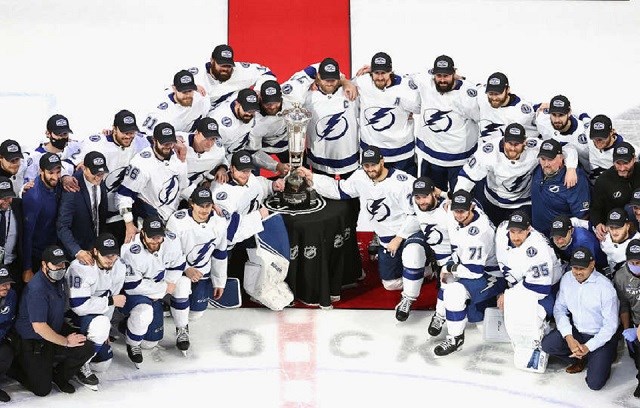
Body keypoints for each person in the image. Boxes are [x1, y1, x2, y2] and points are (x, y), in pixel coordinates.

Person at [296, 146, 417, 296]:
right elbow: (340, 189)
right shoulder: (361, 177)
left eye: (373, 165)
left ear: (382, 162)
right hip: (386, 237)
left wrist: (399, 239)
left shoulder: (402, 182)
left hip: (407, 235)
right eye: (366, 165)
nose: (370, 169)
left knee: (414, 260)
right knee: (390, 283)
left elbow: (417, 215)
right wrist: (312, 177)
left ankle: (425, 268)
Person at [426, 190, 505, 356]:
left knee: (454, 291)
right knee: (447, 279)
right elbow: (445, 206)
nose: (459, 215)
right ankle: (440, 314)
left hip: (491, 275)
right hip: (467, 263)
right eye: (456, 210)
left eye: (462, 211)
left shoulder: (479, 233)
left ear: (472, 207)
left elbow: (474, 273)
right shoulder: (454, 213)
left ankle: (456, 338)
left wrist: (449, 268)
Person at [13, 245, 95, 396]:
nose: (60, 268)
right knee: (42, 390)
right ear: (44, 265)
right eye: (56, 265)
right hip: (33, 340)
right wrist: (65, 341)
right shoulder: (37, 288)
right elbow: (39, 327)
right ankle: (18, 366)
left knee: (87, 346)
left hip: (54, 331)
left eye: (63, 264)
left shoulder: (61, 281)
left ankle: (59, 376)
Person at [541, 246, 619, 390]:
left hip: (600, 337)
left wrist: (589, 347)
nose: (577, 272)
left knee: (595, 384)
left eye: (582, 268)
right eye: (574, 268)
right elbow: (559, 309)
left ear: (592, 264)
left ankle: (599, 357)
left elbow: (611, 326)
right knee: (548, 344)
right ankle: (582, 358)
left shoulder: (605, 287)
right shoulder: (567, 278)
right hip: (577, 331)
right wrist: (569, 337)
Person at [495, 211, 562, 372]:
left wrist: (509, 295)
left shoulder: (536, 249)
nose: (516, 237)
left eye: (520, 232)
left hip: (550, 291)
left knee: (527, 314)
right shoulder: (502, 231)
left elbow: (540, 289)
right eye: (513, 232)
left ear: (529, 230)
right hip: (524, 285)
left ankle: (541, 338)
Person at [120, 215, 191, 366]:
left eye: (159, 237)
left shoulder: (171, 240)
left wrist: (168, 284)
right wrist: (163, 289)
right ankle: (132, 342)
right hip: (139, 292)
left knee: (183, 283)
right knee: (148, 343)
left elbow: (178, 266)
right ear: (142, 233)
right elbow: (132, 286)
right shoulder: (129, 250)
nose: (155, 241)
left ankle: (182, 328)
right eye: (152, 237)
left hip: (160, 287)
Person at [407, 55, 480, 191]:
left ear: (454, 73)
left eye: (446, 76)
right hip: (431, 157)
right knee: (432, 202)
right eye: (438, 75)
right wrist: (372, 70)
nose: (441, 80)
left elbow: (483, 115)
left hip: (459, 161)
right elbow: (404, 78)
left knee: (460, 203)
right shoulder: (426, 82)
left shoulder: (467, 95)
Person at [66, 233, 126, 390]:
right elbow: (78, 307)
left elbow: (111, 299)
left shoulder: (119, 266)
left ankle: (81, 354)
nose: (110, 259)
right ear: (95, 251)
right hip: (72, 318)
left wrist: (105, 331)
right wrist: (110, 302)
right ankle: (79, 364)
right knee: (100, 323)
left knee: (102, 365)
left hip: (97, 315)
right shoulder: (80, 267)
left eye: (113, 255)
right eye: (105, 255)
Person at [456, 123, 542, 226]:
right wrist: (458, 201)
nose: (513, 148)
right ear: (504, 141)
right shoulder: (489, 152)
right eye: (510, 143)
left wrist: (568, 167)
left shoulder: (535, 148)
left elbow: (560, 150)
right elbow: (467, 176)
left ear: (524, 142)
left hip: (522, 204)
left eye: (517, 144)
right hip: (492, 201)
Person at [116, 122, 188, 243]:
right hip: (148, 218)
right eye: (164, 143)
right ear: (154, 140)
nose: (168, 146)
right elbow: (124, 194)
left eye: (170, 143)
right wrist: (128, 224)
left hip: (172, 216)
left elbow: (183, 186)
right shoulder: (142, 163)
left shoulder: (178, 157)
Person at [166, 186, 229, 319]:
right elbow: (169, 252)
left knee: (195, 315)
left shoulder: (220, 223)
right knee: (181, 288)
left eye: (207, 205)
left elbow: (220, 253)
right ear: (192, 204)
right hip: (177, 269)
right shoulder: (177, 221)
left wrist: (219, 282)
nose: (204, 210)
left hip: (201, 272)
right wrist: (186, 268)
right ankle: (168, 299)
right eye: (200, 205)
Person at [397, 176, 451, 321]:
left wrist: (445, 194)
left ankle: (440, 316)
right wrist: (399, 237)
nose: (421, 201)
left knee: (449, 283)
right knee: (412, 250)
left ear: (434, 193)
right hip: (430, 243)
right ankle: (408, 297)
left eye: (425, 196)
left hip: (449, 253)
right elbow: (413, 217)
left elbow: (466, 202)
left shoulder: (449, 208)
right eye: (418, 197)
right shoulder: (416, 203)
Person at [353, 52, 417, 175]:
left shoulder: (405, 86)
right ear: (371, 72)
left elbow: (422, 101)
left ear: (391, 71)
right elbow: (340, 83)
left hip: (402, 153)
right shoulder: (362, 82)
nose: (380, 77)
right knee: (374, 192)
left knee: (404, 190)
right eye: (377, 73)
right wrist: (346, 83)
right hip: (372, 152)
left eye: (384, 73)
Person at [303, 57, 360, 177]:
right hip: (319, 161)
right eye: (326, 79)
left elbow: (378, 83)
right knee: (321, 194)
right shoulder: (307, 96)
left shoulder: (351, 91)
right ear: (318, 76)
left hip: (349, 159)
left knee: (352, 194)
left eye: (332, 79)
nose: (329, 83)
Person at [530, 138, 590, 236]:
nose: (546, 164)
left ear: (562, 157)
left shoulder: (574, 180)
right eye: (543, 159)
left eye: (550, 159)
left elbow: (583, 217)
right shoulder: (537, 170)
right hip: (538, 234)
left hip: (561, 237)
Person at [57, 151, 109, 264]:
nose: (99, 177)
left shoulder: (100, 181)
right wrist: (77, 251)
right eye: (95, 173)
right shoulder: (72, 188)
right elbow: (62, 226)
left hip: (95, 247)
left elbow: (101, 215)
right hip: (76, 252)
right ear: (84, 168)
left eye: (101, 173)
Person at [193, 44, 277, 111]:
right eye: (222, 65)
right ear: (212, 61)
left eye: (229, 66)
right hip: (197, 117)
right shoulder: (196, 74)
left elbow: (267, 73)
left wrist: (258, 90)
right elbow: (180, 86)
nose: (225, 69)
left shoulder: (241, 70)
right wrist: (192, 86)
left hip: (230, 118)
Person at [22, 153, 62, 283]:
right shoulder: (34, 197)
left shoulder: (58, 185)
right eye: (51, 173)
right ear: (41, 171)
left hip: (54, 248)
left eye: (58, 172)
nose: (55, 177)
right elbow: (26, 235)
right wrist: (27, 268)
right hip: (37, 256)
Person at [591, 141, 640, 240]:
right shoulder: (603, 180)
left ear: (634, 159)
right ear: (613, 161)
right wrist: (597, 223)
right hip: (617, 225)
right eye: (618, 163)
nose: (622, 168)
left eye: (626, 163)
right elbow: (595, 207)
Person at [141, 70, 210, 136]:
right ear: (174, 89)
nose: (188, 95)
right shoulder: (163, 115)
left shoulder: (201, 97)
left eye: (190, 90)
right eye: (184, 92)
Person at [24, 114, 81, 193]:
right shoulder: (36, 156)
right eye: (58, 134)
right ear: (48, 133)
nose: (62, 138)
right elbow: (28, 186)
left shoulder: (75, 146)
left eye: (65, 134)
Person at [612, 239, 640, 398]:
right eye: (632, 261)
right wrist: (627, 328)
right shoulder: (621, 276)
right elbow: (623, 304)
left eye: (639, 261)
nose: (635, 264)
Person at [535, 95, 590, 174]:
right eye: (554, 115)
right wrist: (540, 105)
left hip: (582, 175)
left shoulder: (584, 133)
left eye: (561, 115)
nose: (557, 120)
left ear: (569, 113)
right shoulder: (542, 121)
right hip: (552, 170)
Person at [248, 80, 293, 175]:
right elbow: (254, 152)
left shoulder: (291, 104)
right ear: (260, 98)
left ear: (281, 98)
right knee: (249, 172)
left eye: (276, 102)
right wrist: (276, 166)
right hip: (261, 148)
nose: (272, 107)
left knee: (301, 171)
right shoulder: (253, 119)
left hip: (285, 145)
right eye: (267, 103)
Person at [477, 72, 537, 140]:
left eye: (497, 94)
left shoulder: (521, 111)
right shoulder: (481, 95)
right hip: (482, 148)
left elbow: (536, 110)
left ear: (507, 90)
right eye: (490, 94)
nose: (494, 98)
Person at [181, 117, 228, 200]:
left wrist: (222, 169)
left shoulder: (218, 151)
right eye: (206, 138)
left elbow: (222, 159)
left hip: (192, 194)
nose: (209, 143)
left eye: (213, 139)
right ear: (196, 133)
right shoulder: (180, 141)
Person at [209, 88, 261, 160]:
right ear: (237, 103)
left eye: (252, 110)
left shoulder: (244, 113)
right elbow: (211, 151)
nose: (249, 114)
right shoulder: (219, 122)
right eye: (246, 109)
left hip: (236, 150)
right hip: (216, 156)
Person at [588, 114, 632, 183]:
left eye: (602, 138)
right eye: (594, 138)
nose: (598, 142)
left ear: (612, 132)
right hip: (591, 186)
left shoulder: (627, 151)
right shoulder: (589, 140)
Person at [599, 208, 640, 278]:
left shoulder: (637, 241)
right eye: (611, 228)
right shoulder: (604, 238)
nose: (614, 232)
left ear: (627, 226)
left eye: (618, 228)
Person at [0, 177, 24, 292]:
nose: (6, 200)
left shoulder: (18, 206)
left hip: (13, 265)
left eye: (8, 197)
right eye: (2, 197)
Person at [0, 266, 17, 402]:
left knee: (6, 352)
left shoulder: (12, 295)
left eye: (7, 283)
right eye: (1, 284)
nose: (5, 287)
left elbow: (9, 320)